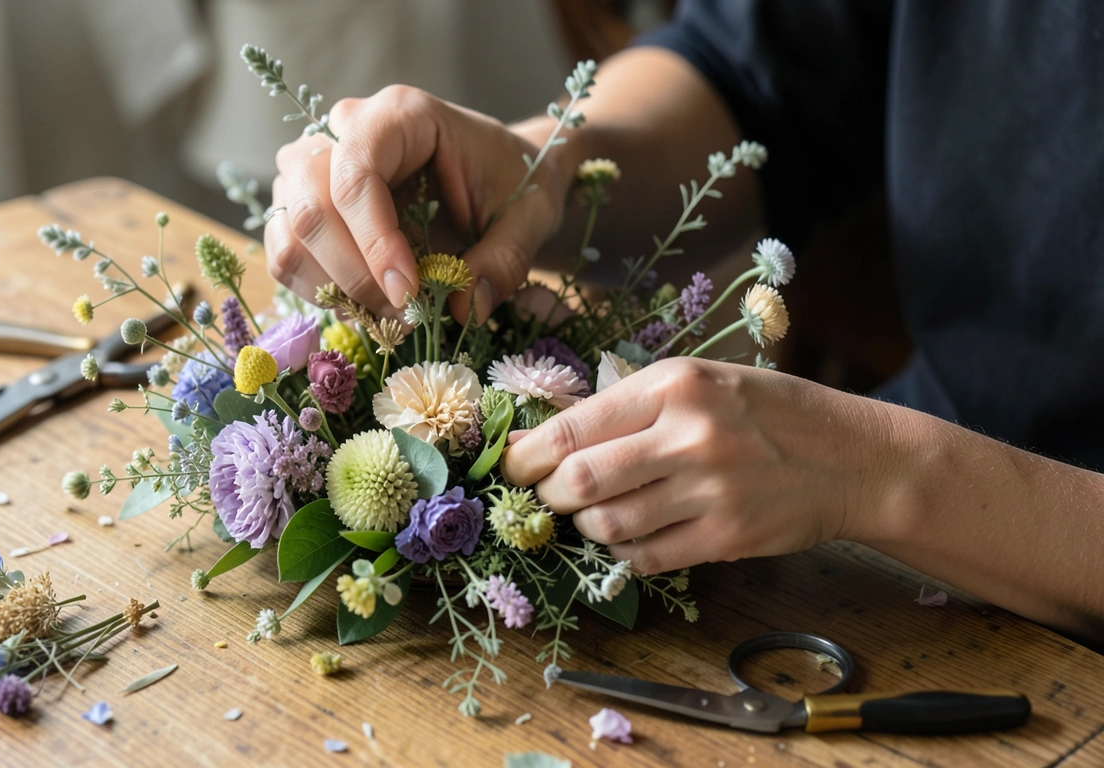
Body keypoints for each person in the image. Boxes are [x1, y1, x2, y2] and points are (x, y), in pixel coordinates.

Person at [263, 1, 1104, 643]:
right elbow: (751, 72)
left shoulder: (873, 472)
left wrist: (878, 469)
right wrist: (538, 167)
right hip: (901, 555)